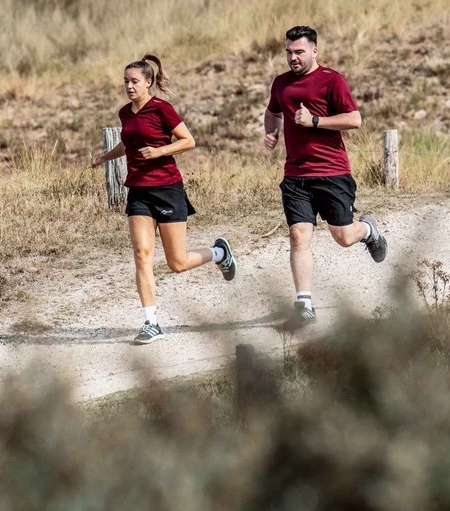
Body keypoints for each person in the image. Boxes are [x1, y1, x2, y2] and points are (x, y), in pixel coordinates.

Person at [92, 54, 237, 345]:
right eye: (125, 81)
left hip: (167, 189)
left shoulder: (161, 108)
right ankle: (151, 323)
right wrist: (105, 157)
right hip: (138, 192)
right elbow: (128, 143)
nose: (129, 86)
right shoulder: (125, 113)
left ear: (148, 82)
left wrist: (159, 151)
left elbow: (188, 140)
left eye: (135, 81)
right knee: (141, 255)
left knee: (177, 263)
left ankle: (219, 253)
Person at [263, 26, 388, 327]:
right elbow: (272, 112)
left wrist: (315, 121)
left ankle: (368, 230)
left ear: (314, 51)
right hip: (295, 175)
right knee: (298, 236)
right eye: (289, 52)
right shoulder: (281, 83)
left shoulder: (332, 80)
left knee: (343, 237)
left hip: (332, 172)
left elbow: (354, 119)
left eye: (299, 52)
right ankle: (304, 304)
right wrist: (271, 132)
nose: (293, 57)